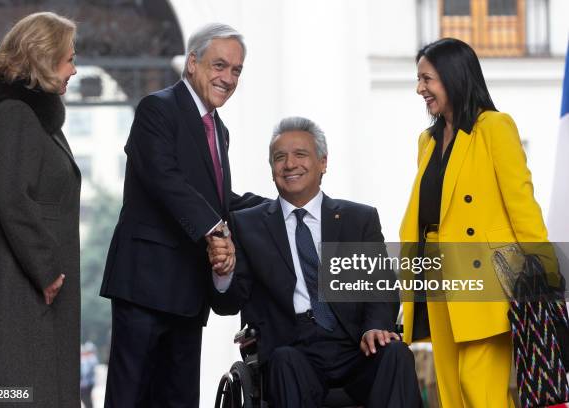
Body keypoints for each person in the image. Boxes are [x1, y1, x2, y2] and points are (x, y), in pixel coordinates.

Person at [99, 23, 264, 407]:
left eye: (236, 70)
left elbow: (218, 199)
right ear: (192, 63)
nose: (228, 77)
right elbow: (164, 178)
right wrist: (216, 230)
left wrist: (279, 210)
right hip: (145, 285)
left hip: (189, 291)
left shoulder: (218, 131)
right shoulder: (157, 108)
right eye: (219, 65)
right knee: (130, 396)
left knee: (180, 400)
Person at [209, 117, 422, 407]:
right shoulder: (249, 225)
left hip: (354, 344)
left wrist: (376, 326)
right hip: (291, 349)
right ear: (272, 170)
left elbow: (380, 287)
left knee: (396, 354)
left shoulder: (356, 219)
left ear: (322, 163)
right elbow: (228, 304)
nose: (289, 164)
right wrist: (224, 273)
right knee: (284, 361)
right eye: (279, 157)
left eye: (300, 154)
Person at [400, 38, 552, 407]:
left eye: (427, 79)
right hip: (436, 274)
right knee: (451, 391)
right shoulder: (428, 141)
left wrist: (547, 274)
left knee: (478, 388)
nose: (420, 88)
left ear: (453, 77)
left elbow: (522, 205)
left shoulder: (494, 128)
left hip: (487, 278)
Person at [0, 11, 80, 408]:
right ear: (43, 59)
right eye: (69, 59)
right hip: (19, 288)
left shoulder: (34, 119)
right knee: (15, 394)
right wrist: (46, 271)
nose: (74, 70)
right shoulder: (15, 116)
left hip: (31, 289)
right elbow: (13, 198)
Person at [80, 342, 99, 408]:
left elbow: (85, 372)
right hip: (88, 383)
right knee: (87, 399)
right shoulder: (92, 358)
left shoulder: (91, 358)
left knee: (86, 399)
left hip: (87, 384)